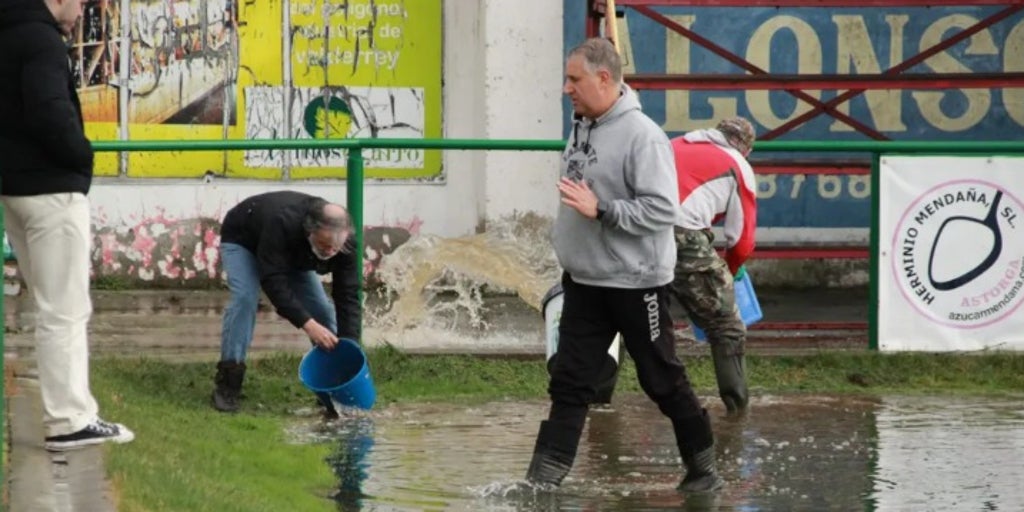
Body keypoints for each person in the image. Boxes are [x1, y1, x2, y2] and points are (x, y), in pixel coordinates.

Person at [525, 37, 723, 493]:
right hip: (585, 282)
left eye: (573, 79)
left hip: (637, 285)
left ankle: (703, 468)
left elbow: (661, 210)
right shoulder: (580, 126)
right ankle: (542, 482)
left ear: (604, 79)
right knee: (570, 382)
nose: (565, 89)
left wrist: (604, 211)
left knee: (662, 380)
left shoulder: (644, 137)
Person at [0, 0, 135, 450]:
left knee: (49, 305)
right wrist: (82, 156)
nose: (83, 11)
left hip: (14, 190)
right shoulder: (41, 39)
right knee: (65, 309)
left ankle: (69, 415)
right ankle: (70, 419)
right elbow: (48, 109)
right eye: (80, 1)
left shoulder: (9, 31)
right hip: (51, 192)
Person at [212, 191, 361, 416]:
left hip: (292, 254)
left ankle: (335, 387)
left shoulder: (345, 242)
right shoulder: (282, 222)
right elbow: (273, 282)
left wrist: (351, 348)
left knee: (322, 311)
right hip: (244, 239)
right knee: (245, 299)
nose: (330, 251)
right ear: (309, 231)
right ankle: (228, 382)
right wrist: (307, 324)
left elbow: (347, 294)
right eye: (325, 244)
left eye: (335, 247)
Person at [670, 117, 757, 413]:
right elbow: (741, 239)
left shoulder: (674, 144)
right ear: (745, 148)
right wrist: (731, 271)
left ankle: (598, 401)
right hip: (684, 237)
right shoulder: (738, 164)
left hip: (635, 231)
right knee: (727, 326)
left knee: (630, 316)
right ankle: (737, 409)